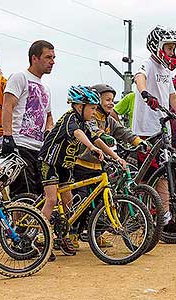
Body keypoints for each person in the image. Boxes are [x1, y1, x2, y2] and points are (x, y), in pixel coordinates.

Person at [39, 85, 125, 256]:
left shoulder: (85, 123)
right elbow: (78, 134)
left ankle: (61, 235)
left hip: (65, 165)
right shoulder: (70, 118)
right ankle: (40, 237)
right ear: (80, 106)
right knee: (51, 200)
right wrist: (91, 147)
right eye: (92, 108)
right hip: (50, 162)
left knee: (69, 202)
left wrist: (116, 157)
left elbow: (97, 139)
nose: (94, 112)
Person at [133, 25, 176, 228]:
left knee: (164, 174)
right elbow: (139, 77)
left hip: (161, 129)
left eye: (174, 49)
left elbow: (172, 96)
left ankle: (165, 218)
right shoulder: (148, 64)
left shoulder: (166, 70)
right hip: (145, 130)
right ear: (157, 46)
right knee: (147, 175)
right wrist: (144, 93)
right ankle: (137, 214)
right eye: (169, 48)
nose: (172, 52)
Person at [71, 83, 143, 248]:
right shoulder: (90, 117)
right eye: (107, 100)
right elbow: (95, 132)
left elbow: (124, 132)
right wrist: (106, 138)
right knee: (81, 201)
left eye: (112, 100)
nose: (111, 103)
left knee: (102, 201)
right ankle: (72, 233)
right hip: (81, 165)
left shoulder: (110, 120)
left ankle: (96, 234)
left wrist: (138, 141)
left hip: (99, 167)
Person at [2, 40, 55, 196]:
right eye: (48, 57)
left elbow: (49, 115)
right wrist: (7, 136)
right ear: (34, 58)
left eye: (53, 57)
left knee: (39, 195)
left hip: (39, 148)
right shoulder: (20, 77)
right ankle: (17, 221)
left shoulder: (46, 88)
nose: (52, 62)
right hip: (20, 144)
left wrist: (48, 130)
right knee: (23, 193)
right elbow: (7, 106)